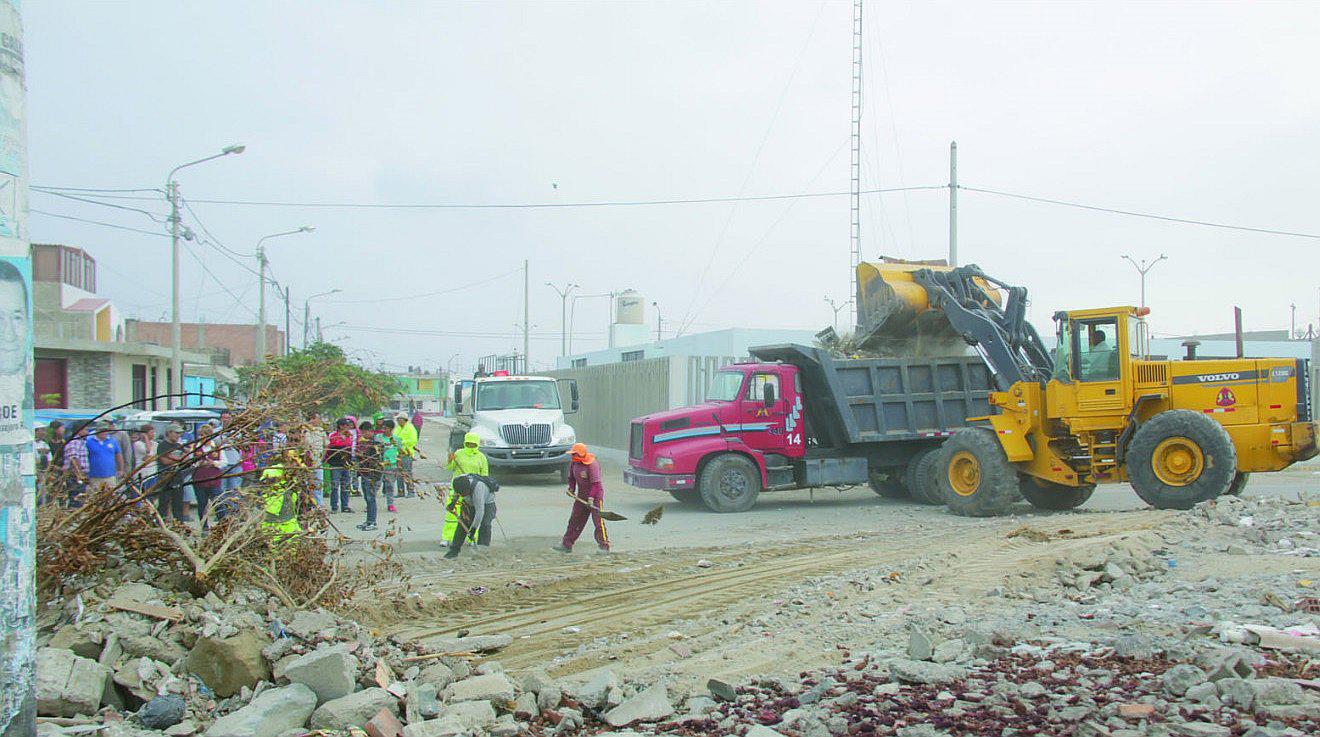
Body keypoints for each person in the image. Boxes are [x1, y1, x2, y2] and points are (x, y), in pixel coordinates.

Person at [555, 443, 610, 554]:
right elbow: (571, 478)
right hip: (581, 495)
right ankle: (567, 544)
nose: (573, 456)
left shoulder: (592, 464)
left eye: (576, 454)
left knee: (598, 522)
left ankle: (604, 546)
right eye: (573, 454)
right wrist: (571, 488)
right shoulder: (574, 463)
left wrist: (591, 498)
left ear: (582, 454)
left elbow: (595, 484)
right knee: (574, 520)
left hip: (595, 496)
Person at [444, 432, 488, 546]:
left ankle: (471, 537)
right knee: (451, 513)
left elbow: (485, 475)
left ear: (477, 444)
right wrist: (450, 460)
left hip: (472, 491)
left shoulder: (481, 457)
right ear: (465, 443)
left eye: (473, 444)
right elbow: (450, 468)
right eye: (468, 443)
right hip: (457, 488)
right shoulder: (458, 453)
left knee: (471, 514)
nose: (471, 446)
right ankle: (447, 537)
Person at [444, 473, 497, 559]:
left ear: (468, 488)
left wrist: (473, 529)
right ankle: (454, 551)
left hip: (487, 504)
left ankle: (483, 550)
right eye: (462, 494)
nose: (463, 495)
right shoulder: (458, 482)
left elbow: (480, 512)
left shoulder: (478, 488)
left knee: (485, 525)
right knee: (463, 524)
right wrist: (453, 503)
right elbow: (457, 493)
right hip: (468, 504)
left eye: (464, 493)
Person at [259, 449, 303, 540]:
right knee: (273, 542)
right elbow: (263, 484)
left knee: (294, 542)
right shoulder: (273, 471)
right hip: (273, 515)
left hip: (289, 517)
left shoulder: (294, 475)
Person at [190, 424, 224, 526]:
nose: (202, 437)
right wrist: (198, 464)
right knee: (202, 504)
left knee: (218, 503)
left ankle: (223, 524)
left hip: (214, 479)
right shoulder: (195, 447)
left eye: (204, 435)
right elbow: (190, 462)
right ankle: (204, 526)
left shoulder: (217, 447)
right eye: (200, 435)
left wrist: (213, 463)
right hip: (199, 480)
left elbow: (224, 462)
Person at [155, 424, 190, 520]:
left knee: (178, 503)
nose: (178, 435)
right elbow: (164, 461)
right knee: (164, 502)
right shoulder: (162, 445)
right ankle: (160, 523)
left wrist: (176, 459)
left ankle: (179, 524)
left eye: (180, 433)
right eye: (176, 433)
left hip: (177, 477)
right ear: (169, 432)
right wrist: (179, 459)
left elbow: (187, 457)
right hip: (165, 478)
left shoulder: (178, 446)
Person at [355, 420, 382, 531]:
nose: (363, 436)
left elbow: (375, 459)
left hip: (372, 474)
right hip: (364, 472)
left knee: (371, 498)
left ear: (370, 431)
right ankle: (369, 520)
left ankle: (372, 522)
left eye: (365, 433)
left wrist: (362, 455)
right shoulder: (363, 442)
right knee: (367, 498)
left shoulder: (376, 443)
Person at [325, 418, 355, 513]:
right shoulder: (333, 436)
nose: (347, 427)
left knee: (345, 485)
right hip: (335, 464)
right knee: (334, 485)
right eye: (345, 425)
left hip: (346, 464)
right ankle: (334, 506)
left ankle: (345, 505)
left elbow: (351, 449)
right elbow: (329, 449)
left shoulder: (349, 436)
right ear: (341, 426)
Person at [85, 423, 124, 492]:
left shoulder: (112, 440)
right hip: (94, 477)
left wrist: (121, 469)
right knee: (95, 498)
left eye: (105, 430)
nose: (104, 432)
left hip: (110, 476)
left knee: (111, 497)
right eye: (101, 430)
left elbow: (118, 455)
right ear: (97, 431)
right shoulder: (88, 441)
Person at [61, 423, 90, 506]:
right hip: (75, 476)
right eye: (85, 430)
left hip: (80, 475)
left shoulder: (81, 442)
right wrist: (79, 475)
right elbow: (74, 459)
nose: (87, 432)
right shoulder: (74, 442)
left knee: (80, 498)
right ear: (79, 431)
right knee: (76, 498)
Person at [376, 418, 400, 514]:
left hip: (391, 466)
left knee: (390, 486)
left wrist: (398, 464)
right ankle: (370, 504)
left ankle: (390, 504)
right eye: (383, 428)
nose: (383, 430)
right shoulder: (378, 438)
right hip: (380, 465)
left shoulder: (396, 439)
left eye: (385, 428)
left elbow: (400, 452)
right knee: (376, 486)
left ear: (391, 429)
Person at [303, 413, 328, 506]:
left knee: (318, 483)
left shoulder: (321, 431)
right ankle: (309, 503)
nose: (317, 420)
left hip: (318, 462)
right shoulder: (304, 431)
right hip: (307, 463)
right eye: (314, 418)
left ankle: (319, 504)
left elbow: (326, 445)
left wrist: (322, 458)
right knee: (308, 484)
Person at [393, 413, 419, 497]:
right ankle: (401, 492)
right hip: (398, 455)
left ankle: (411, 492)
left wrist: (401, 442)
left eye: (400, 419)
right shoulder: (397, 429)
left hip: (407, 454)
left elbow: (413, 440)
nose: (398, 421)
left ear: (404, 420)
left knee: (407, 473)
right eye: (397, 419)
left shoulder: (410, 428)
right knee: (399, 474)